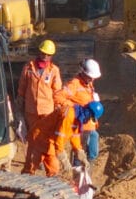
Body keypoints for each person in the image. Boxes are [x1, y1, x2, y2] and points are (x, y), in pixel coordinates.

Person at [18, 38, 67, 176]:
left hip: (47, 113)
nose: (45, 56)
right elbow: (22, 89)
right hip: (31, 112)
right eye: (43, 53)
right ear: (39, 52)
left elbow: (57, 92)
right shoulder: (28, 68)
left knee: (47, 142)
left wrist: (58, 108)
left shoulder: (54, 71)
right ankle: (29, 171)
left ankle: (52, 172)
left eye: (48, 54)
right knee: (33, 142)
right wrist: (19, 107)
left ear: (51, 56)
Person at [62, 58, 103, 190]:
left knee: (92, 154)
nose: (92, 79)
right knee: (79, 157)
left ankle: (86, 181)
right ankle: (76, 184)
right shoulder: (74, 84)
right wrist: (75, 108)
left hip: (91, 125)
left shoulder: (89, 84)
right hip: (80, 127)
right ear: (83, 73)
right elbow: (60, 98)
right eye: (90, 77)